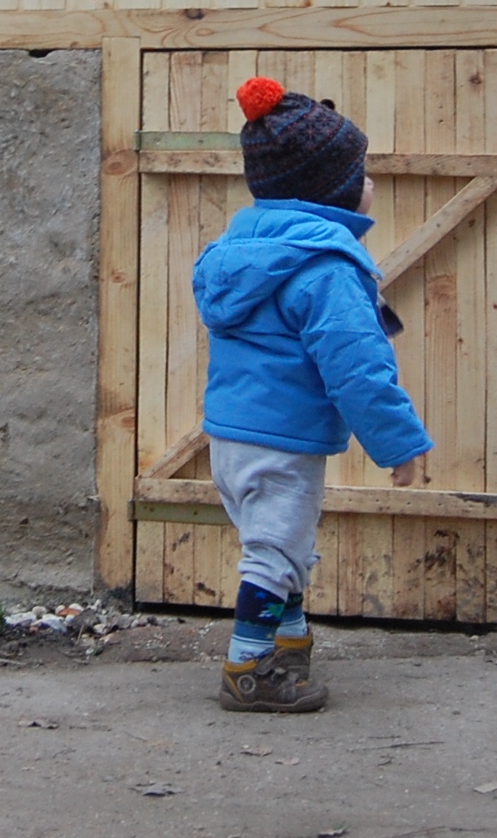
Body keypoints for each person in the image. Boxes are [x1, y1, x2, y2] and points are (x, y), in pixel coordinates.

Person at [192, 76, 433, 713]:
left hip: (232, 438)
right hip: (281, 441)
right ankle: (248, 669)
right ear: (332, 187)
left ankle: (289, 644)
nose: (372, 181)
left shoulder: (238, 253)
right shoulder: (325, 269)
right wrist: (399, 445)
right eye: (364, 170)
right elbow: (357, 368)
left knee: (281, 544)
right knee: (274, 554)